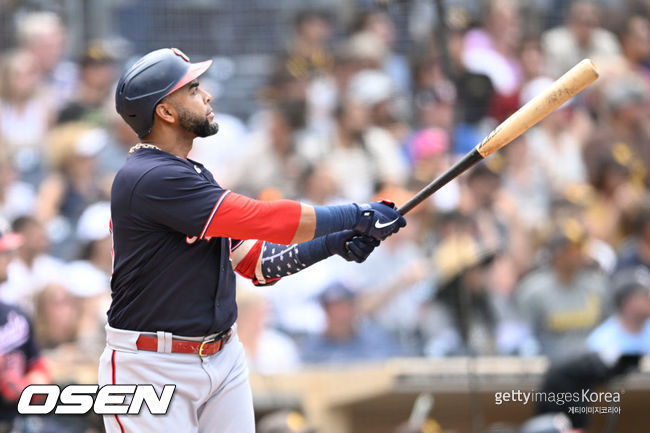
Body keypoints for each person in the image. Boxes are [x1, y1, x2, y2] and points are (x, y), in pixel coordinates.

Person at [101, 47, 406, 433]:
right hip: (152, 366)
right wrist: (353, 214)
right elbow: (260, 218)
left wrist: (335, 242)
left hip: (222, 356)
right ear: (165, 111)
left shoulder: (192, 175)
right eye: (193, 89)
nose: (207, 95)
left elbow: (259, 266)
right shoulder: (148, 177)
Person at [0, 229, 51, 433]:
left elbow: (38, 366)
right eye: (4, 254)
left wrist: (29, 385)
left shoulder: (16, 315)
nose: (11, 260)